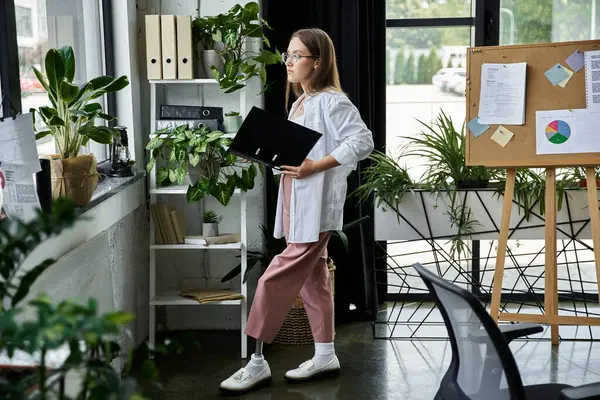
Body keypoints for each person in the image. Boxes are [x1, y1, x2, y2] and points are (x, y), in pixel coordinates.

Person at [220, 27, 374, 393]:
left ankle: (256, 361)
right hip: (294, 200)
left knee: (274, 277)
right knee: (315, 278)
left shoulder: (332, 101)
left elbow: (362, 141)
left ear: (317, 62)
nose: (288, 62)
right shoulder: (300, 103)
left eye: (297, 56)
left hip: (315, 205)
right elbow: (297, 154)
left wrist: (313, 168)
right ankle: (325, 354)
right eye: (287, 55)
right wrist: (273, 156)